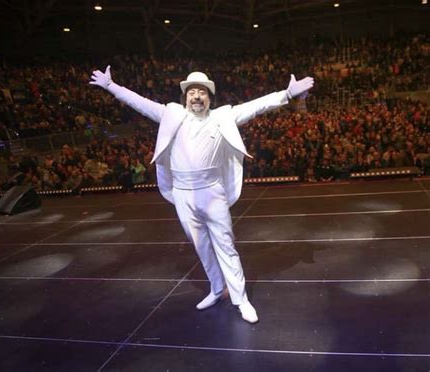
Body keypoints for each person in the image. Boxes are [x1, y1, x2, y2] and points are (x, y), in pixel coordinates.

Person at [90, 67, 314, 323]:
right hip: (183, 194)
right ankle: (217, 289)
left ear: (209, 97)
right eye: (192, 92)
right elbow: (139, 103)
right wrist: (111, 86)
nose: (196, 96)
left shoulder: (223, 116)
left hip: (212, 191)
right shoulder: (170, 114)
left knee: (226, 247)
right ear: (185, 97)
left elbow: (256, 106)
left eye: (202, 92)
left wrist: (286, 94)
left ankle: (240, 299)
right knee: (202, 247)